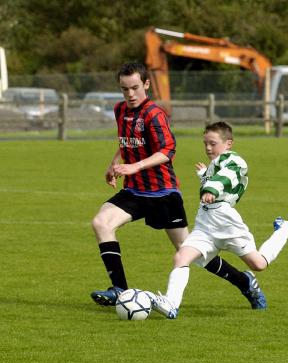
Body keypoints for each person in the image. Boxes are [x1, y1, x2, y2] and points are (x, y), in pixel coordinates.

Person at [90, 63, 265, 308]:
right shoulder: (120, 110)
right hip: (135, 191)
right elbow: (127, 142)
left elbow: (167, 150)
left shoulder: (154, 114)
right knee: (101, 222)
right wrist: (115, 164)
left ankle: (244, 282)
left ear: (147, 84)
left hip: (162, 193)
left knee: (190, 252)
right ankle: (120, 289)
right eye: (124, 89)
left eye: (135, 88)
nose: (129, 94)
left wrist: (134, 166)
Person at [151, 121, 288, 318]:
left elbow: (227, 176)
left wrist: (210, 189)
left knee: (258, 264)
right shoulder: (216, 163)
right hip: (206, 223)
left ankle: (284, 229)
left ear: (228, 143)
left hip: (226, 222)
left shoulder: (234, 160)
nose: (208, 148)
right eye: (205, 144)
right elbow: (218, 177)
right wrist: (204, 177)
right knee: (181, 257)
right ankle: (171, 304)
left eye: (213, 143)